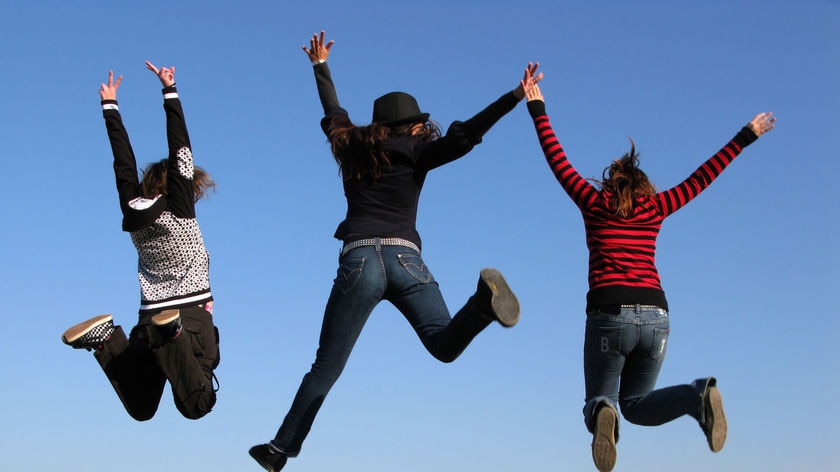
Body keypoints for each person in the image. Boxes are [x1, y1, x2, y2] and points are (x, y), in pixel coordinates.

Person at [248, 31, 540, 471]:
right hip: (407, 261)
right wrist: (514, 96)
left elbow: (333, 113)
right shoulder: (417, 151)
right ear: (413, 125)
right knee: (444, 345)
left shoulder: (350, 146)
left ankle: (279, 450)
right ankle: (481, 306)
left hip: (359, 258)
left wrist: (320, 66)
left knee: (325, 368)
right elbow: (464, 136)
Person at [524, 82, 775, 471]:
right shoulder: (656, 208)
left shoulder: (593, 202)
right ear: (644, 188)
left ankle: (602, 409)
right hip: (657, 317)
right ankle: (695, 397)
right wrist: (745, 137)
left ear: (609, 184)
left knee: (602, 400)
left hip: (609, 311)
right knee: (638, 406)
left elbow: (558, 159)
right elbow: (701, 178)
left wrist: (537, 108)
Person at [61, 62, 220, 421]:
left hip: (148, 321)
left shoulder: (132, 212)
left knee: (142, 406)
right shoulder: (180, 208)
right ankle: (172, 334)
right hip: (191, 318)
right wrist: (170, 90)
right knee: (197, 404)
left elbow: (122, 166)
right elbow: (181, 149)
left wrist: (110, 107)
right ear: (185, 187)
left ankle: (106, 340)